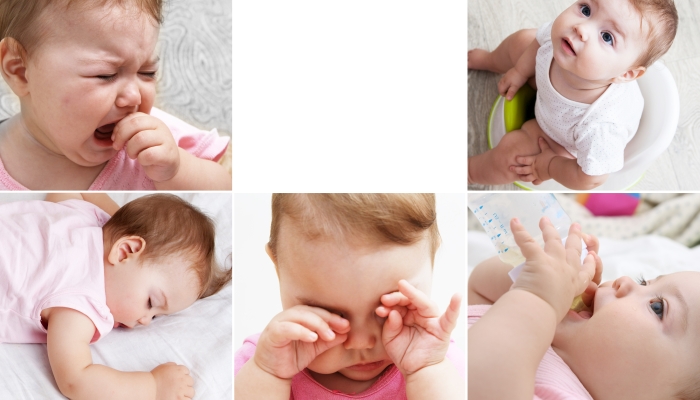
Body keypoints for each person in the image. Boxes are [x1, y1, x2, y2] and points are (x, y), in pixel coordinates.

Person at [0, 193, 232, 400]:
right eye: (151, 303)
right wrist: (152, 387)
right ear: (124, 252)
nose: (144, 320)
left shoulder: (85, 216)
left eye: (155, 317)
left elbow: (71, 190)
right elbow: (75, 381)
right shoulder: (80, 303)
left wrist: (122, 219)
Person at [234, 194, 464, 399]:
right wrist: (270, 375)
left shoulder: (439, 364)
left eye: (387, 312)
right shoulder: (261, 365)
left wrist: (425, 372)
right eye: (330, 314)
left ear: (433, 260)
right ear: (278, 267)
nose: (361, 342)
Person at [0, 0, 232, 190]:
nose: (134, 97)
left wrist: (177, 170)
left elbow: (226, 188)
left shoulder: (158, 140)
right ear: (20, 71)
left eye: (147, 72)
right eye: (105, 74)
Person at [469, 216, 700, 399]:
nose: (625, 281)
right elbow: (478, 290)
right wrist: (536, 278)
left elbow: (473, 386)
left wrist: (537, 298)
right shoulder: (543, 329)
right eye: (643, 281)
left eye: (657, 307)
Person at [468, 0, 678, 190]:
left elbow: (591, 178)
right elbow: (538, 42)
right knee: (523, 40)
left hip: (560, 140)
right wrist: (520, 71)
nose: (581, 28)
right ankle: (490, 60)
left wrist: (550, 166)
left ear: (626, 74)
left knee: (514, 157)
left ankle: (469, 172)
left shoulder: (602, 128)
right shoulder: (565, 39)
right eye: (586, 10)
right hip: (548, 93)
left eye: (607, 37)